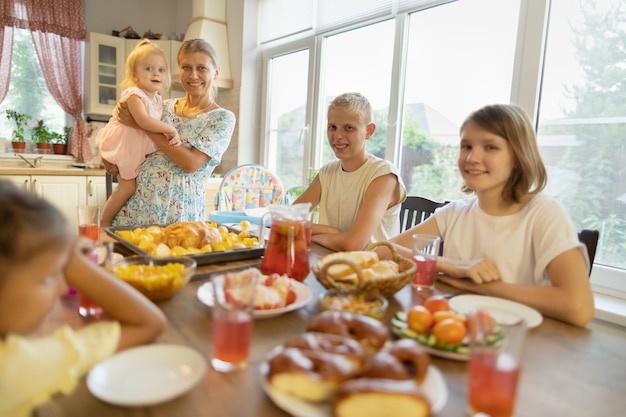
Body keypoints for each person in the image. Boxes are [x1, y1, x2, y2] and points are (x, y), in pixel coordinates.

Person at [387, 104, 594, 327]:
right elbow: (381, 250)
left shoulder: (543, 213)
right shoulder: (454, 213)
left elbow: (579, 307)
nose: (472, 157)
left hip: (516, 343)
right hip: (457, 333)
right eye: (466, 146)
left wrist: (475, 285)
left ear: (517, 157)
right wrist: (450, 266)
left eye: (490, 147)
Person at [0, 180, 166, 417]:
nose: (61, 289)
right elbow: (148, 322)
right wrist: (71, 258)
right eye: (48, 277)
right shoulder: (18, 367)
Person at [111, 38, 235, 227]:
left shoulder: (222, 118)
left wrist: (142, 125)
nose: (193, 75)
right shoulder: (161, 105)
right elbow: (125, 131)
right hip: (134, 209)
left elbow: (190, 163)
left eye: (201, 68)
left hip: (179, 215)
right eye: (186, 67)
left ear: (216, 72)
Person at [294, 92, 406, 251]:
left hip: (373, 271)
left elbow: (353, 244)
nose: (338, 136)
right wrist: (330, 231)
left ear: (369, 131)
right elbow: (287, 220)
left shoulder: (384, 176)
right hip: (330, 263)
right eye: (332, 127)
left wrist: (307, 232)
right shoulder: (327, 172)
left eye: (348, 128)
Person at [96, 40, 182, 227]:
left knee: (132, 187)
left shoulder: (158, 99)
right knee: (127, 187)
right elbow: (143, 121)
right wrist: (170, 129)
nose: (156, 74)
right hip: (123, 144)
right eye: (149, 69)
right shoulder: (134, 94)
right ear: (135, 75)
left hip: (134, 146)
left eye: (161, 70)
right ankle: (103, 222)